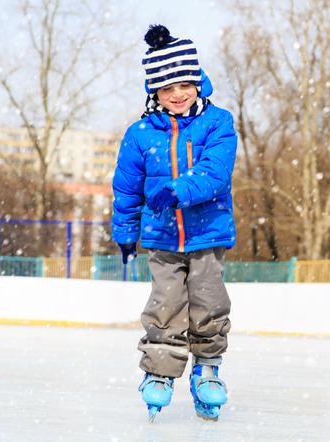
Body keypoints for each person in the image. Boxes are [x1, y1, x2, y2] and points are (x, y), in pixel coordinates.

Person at [111, 24, 237, 422]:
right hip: (162, 237)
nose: (177, 94)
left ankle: (207, 370)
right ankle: (161, 372)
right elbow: (127, 188)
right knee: (165, 305)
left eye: (184, 83)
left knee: (208, 304)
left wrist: (179, 190)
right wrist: (126, 232)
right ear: (155, 93)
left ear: (198, 81)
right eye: (167, 88)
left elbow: (216, 172)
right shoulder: (139, 134)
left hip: (207, 233)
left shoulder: (218, 123)